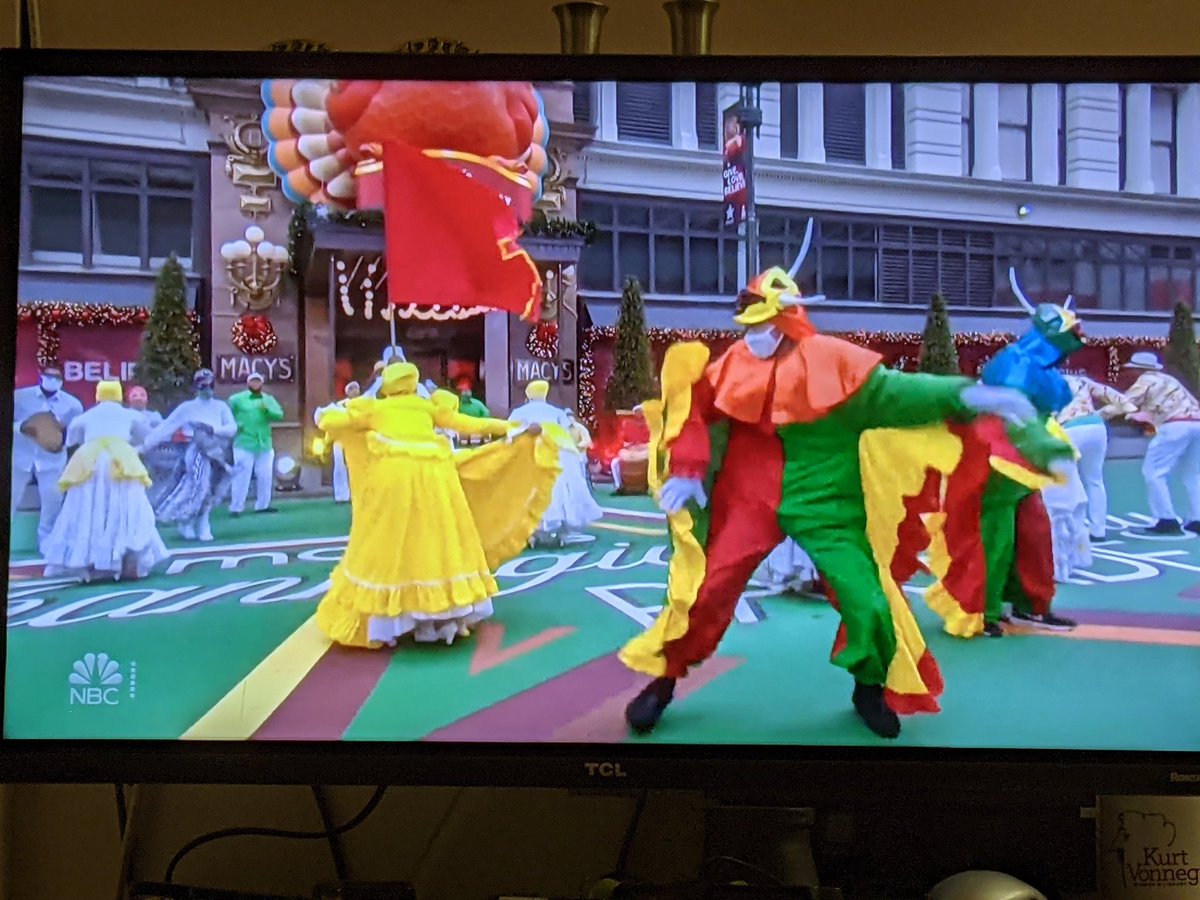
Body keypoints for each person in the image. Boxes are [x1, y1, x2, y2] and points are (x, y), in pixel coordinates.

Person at [619, 265, 1037, 739]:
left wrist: (973, 396)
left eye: (761, 326)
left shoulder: (836, 364)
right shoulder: (732, 365)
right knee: (704, 592)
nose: (752, 336)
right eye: (749, 327)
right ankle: (665, 681)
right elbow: (693, 410)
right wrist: (690, 465)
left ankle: (869, 686)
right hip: (748, 498)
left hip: (829, 502)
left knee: (868, 601)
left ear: (786, 322)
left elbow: (904, 393)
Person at [313, 362, 564, 648]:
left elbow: (331, 421)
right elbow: (468, 423)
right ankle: (440, 619)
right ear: (413, 382)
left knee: (391, 540)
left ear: (387, 385)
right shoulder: (427, 407)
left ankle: (395, 619)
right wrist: (512, 428)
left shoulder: (373, 408)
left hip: (393, 477)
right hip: (435, 478)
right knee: (437, 538)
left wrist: (332, 414)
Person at [41, 381, 168, 582]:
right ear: (118, 396)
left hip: (88, 461)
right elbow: (147, 436)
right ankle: (128, 561)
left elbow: (71, 440)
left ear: (98, 396)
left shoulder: (85, 417)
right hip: (122, 460)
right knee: (128, 508)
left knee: (88, 510)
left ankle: (91, 563)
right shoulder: (130, 415)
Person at [1106, 351, 1200, 536]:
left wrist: (1096, 415)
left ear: (1138, 369)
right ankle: (1197, 518)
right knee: (1194, 474)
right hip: (1197, 423)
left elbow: (1123, 403)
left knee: (1154, 472)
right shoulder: (1170, 380)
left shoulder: (1146, 380)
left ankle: (1166, 519)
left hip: (1174, 425)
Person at [140, 369, 238, 542]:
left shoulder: (221, 406)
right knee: (199, 485)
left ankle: (202, 521)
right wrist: (144, 446)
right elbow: (165, 428)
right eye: (202, 386)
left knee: (213, 489)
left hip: (217, 451)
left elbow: (232, 428)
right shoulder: (187, 408)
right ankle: (187, 520)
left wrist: (213, 429)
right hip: (195, 450)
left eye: (209, 386)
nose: (206, 390)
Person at [509, 380, 603, 547]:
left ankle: (530, 532)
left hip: (528, 460)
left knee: (528, 493)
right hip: (554, 458)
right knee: (557, 494)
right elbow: (565, 436)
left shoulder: (519, 412)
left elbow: (511, 435)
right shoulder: (556, 412)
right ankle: (558, 532)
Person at [11, 364, 83, 549]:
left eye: (56, 377)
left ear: (62, 380)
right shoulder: (20, 397)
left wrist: (58, 437)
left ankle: (47, 544)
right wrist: (23, 427)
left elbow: (76, 433)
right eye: (49, 376)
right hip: (20, 457)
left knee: (52, 500)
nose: (52, 380)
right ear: (41, 376)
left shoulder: (72, 404)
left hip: (52, 460)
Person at [1057, 372, 1131, 541]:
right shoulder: (1081, 380)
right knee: (1095, 480)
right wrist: (1100, 414)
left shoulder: (1041, 381)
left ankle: (1074, 530)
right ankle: (1098, 530)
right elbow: (1122, 401)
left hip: (1068, 429)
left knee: (1069, 480)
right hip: (1096, 427)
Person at [228, 371, 285, 517]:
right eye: (253, 381)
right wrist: (235, 425)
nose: (255, 384)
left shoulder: (268, 399)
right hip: (244, 442)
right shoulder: (237, 399)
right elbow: (227, 415)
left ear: (262, 383)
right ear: (248, 383)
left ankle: (263, 505)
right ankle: (236, 507)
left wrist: (268, 409)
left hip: (264, 443)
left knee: (265, 475)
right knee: (241, 476)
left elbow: (279, 415)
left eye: (258, 381)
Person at [314, 381, 361, 504]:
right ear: (347, 392)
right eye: (351, 389)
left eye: (356, 388)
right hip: (340, 441)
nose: (354, 391)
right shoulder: (339, 406)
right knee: (340, 468)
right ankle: (341, 496)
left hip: (359, 441)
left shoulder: (364, 403)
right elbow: (320, 413)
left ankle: (358, 494)